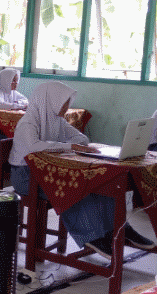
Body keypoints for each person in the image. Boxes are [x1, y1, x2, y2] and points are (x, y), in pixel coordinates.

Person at [8, 81, 155, 258]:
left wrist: (74, 144)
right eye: (64, 102)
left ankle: (120, 229)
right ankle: (92, 236)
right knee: (75, 188)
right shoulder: (28, 122)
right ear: (51, 100)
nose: (67, 107)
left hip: (50, 173)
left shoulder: (56, 121)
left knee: (102, 183)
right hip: (26, 177)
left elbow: (82, 139)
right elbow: (33, 147)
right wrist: (69, 146)